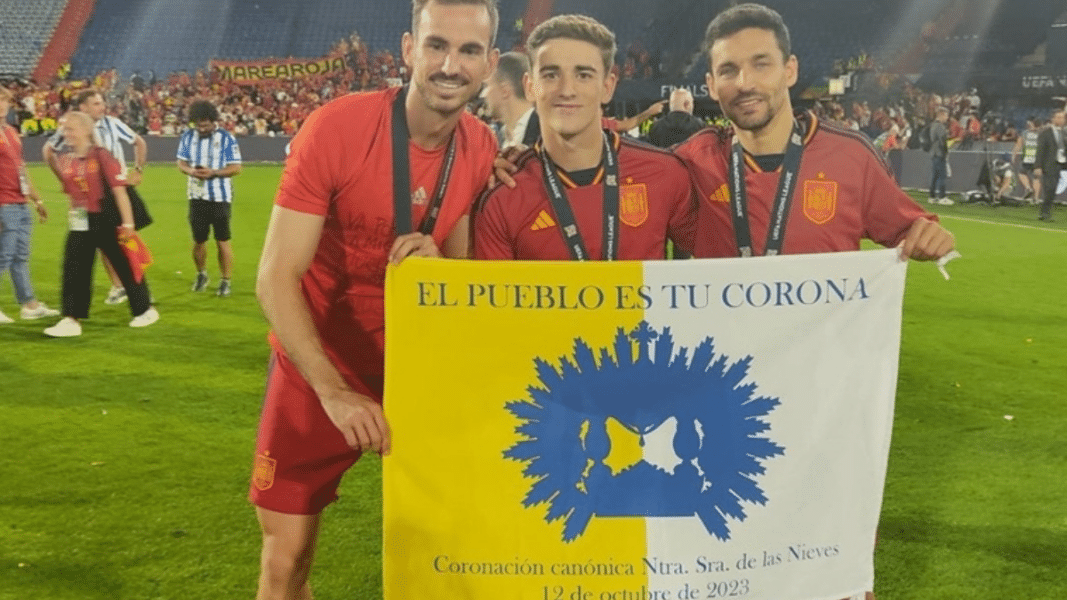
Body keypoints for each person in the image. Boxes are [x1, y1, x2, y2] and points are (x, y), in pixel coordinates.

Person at [676, 5, 956, 597]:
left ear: (790, 70)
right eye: (728, 70)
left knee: (831, 563)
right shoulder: (693, 161)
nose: (744, 82)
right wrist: (517, 161)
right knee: (729, 558)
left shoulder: (849, 156)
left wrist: (928, 235)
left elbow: (907, 224)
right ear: (710, 84)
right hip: (723, 405)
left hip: (825, 406)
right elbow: (614, 176)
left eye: (760, 64)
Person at [249, 0, 500, 597]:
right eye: (436, 45)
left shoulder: (482, 146)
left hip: (416, 375)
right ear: (409, 49)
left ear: (490, 65)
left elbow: (461, 277)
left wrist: (440, 266)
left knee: (451, 558)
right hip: (317, 368)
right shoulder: (337, 128)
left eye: (468, 51)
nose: (450, 65)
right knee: (286, 566)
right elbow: (276, 277)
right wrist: (333, 391)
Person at [475, 14, 695, 261]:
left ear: (607, 87)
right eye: (551, 75)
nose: (567, 90)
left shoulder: (666, 174)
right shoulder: (503, 196)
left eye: (583, 75)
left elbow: (716, 260)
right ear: (529, 87)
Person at [43, 112, 158, 338]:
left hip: (107, 218)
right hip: (81, 220)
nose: (66, 134)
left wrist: (128, 224)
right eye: (64, 129)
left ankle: (144, 310)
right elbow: (73, 193)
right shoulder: (66, 159)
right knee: (74, 267)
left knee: (124, 264)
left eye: (70, 129)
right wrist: (73, 215)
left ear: (86, 130)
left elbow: (120, 192)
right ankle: (71, 319)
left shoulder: (102, 156)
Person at [0, 87, 59, 324]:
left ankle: (29, 305)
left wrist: (37, 199)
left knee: (20, 256)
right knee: (3, 256)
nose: (1, 105)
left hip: (20, 202)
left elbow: (21, 168)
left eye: (4, 100)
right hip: (4, 204)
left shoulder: (12, 132)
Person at [176, 100, 243, 296]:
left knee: (222, 240)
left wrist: (213, 173)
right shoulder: (188, 136)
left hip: (220, 197)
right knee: (199, 240)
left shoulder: (226, 138)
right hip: (196, 196)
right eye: (198, 124)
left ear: (213, 121)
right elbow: (181, 162)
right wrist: (191, 171)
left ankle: (225, 280)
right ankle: (201, 274)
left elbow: (236, 167)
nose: (201, 128)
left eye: (205, 124)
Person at [481, 50, 539, 149]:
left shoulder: (544, 131)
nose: (484, 95)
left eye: (487, 86)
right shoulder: (496, 136)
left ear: (505, 91)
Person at [1033, 110, 1066, 222]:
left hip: (1061, 164)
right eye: (1059, 117)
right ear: (1053, 119)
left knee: (1053, 189)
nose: (1061, 120)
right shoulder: (1045, 133)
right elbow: (1040, 151)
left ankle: (1045, 212)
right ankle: (1044, 213)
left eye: (1063, 117)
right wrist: (1037, 166)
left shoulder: (1064, 133)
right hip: (1049, 165)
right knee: (1050, 188)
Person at [927, 106, 953, 205]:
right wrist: (946, 153)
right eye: (946, 115)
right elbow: (943, 142)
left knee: (935, 176)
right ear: (941, 114)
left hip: (934, 154)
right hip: (939, 154)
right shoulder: (940, 126)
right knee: (942, 176)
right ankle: (942, 197)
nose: (947, 118)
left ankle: (932, 197)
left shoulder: (932, 125)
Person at [1011, 117, 1040, 201]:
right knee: (1036, 178)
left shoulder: (1025, 133)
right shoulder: (1041, 133)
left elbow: (1018, 145)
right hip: (1038, 158)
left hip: (1028, 157)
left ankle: (1028, 188)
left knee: (1021, 173)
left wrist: (1013, 155)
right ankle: (1036, 199)